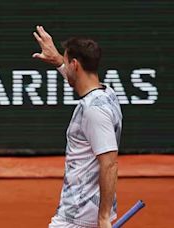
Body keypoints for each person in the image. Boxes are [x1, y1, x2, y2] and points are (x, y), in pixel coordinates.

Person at [32, 26, 122, 228]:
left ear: (75, 64)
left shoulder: (93, 111)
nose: (64, 64)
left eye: (66, 61)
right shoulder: (107, 94)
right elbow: (80, 82)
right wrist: (57, 60)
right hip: (87, 212)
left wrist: (104, 218)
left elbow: (109, 163)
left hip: (77, 217)